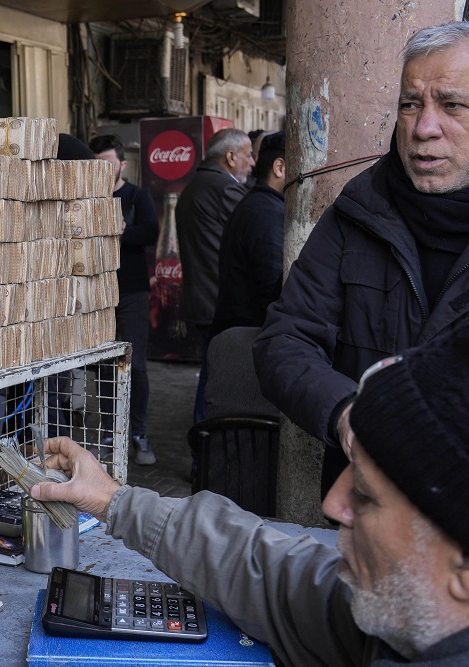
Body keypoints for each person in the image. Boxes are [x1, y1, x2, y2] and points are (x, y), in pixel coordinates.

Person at [32, 316, 469, 666]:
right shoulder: (392, 613)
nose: (333, 505)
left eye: (367, 496)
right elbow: (271, 574)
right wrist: (114, 501)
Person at [254, 21, 469, 497]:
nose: (424, 127)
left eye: (452, 105)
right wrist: (347, 412)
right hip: (363, 507)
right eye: (410, 105)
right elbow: (284, 341)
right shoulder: (356, 214)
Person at [88, 134, 159, 465]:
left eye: (108, 163)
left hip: (131, 291)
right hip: (99, 292)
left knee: (137, 364)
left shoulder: (136, 195)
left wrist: (120, 232)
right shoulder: (88, 197)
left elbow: (150, 232)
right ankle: (108, 432)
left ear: (122, 164)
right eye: (97, 163)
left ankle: (138, 434)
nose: (103, 169)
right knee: (104, 364)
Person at [175, 127, 253, 424]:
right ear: (230, 157)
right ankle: (204, 454)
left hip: (201, 298)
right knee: (216, 379)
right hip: (217, 300)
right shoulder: (224, 188)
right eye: (248, 155)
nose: (252, 162)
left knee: (212, 373)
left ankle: (203, 453)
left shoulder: (195, 185)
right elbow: (252, 233)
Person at [212, 131, 286, 333]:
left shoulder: (261, 204)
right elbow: (273, 288)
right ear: (279, 168)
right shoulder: (265, 212)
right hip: (247, 337)